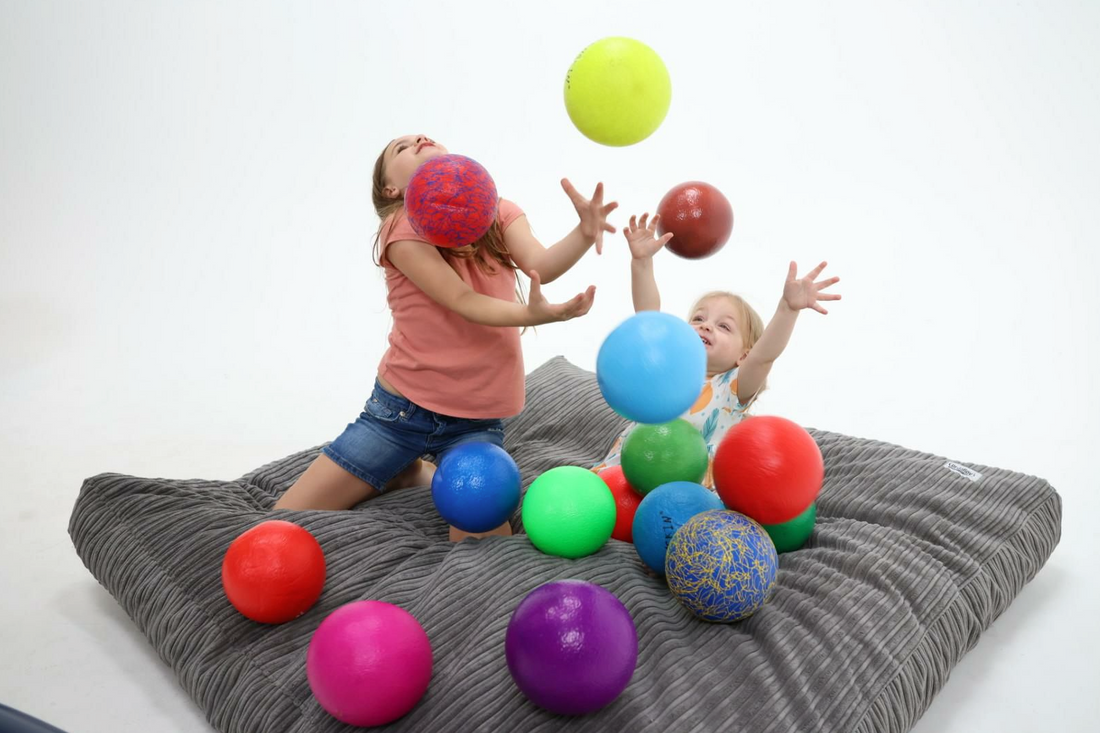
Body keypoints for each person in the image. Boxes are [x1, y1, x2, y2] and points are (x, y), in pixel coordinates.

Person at [276, 134, 618, 542]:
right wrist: (531, 314)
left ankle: (409, 472)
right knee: (286, 517)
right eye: (401, 148)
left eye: (423, 136)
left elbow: (540, 262)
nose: (419, 139)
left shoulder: (500, 211)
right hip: (398, 414)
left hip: (475, 422)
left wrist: (583, 232)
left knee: (483, 548)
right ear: (392, 190)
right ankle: (406, 467)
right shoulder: (401, 228)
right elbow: (461, 300)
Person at [592, 212, 841, 487]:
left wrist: (788, 309)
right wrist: (642, 262)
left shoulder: (731, 388)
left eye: (724, 327)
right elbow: (648, 320)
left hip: (681, 488)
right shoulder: (671, 369)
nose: (706, 326)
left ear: (743, 356)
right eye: (698, 319)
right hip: (626, 473)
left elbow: (764, 355)